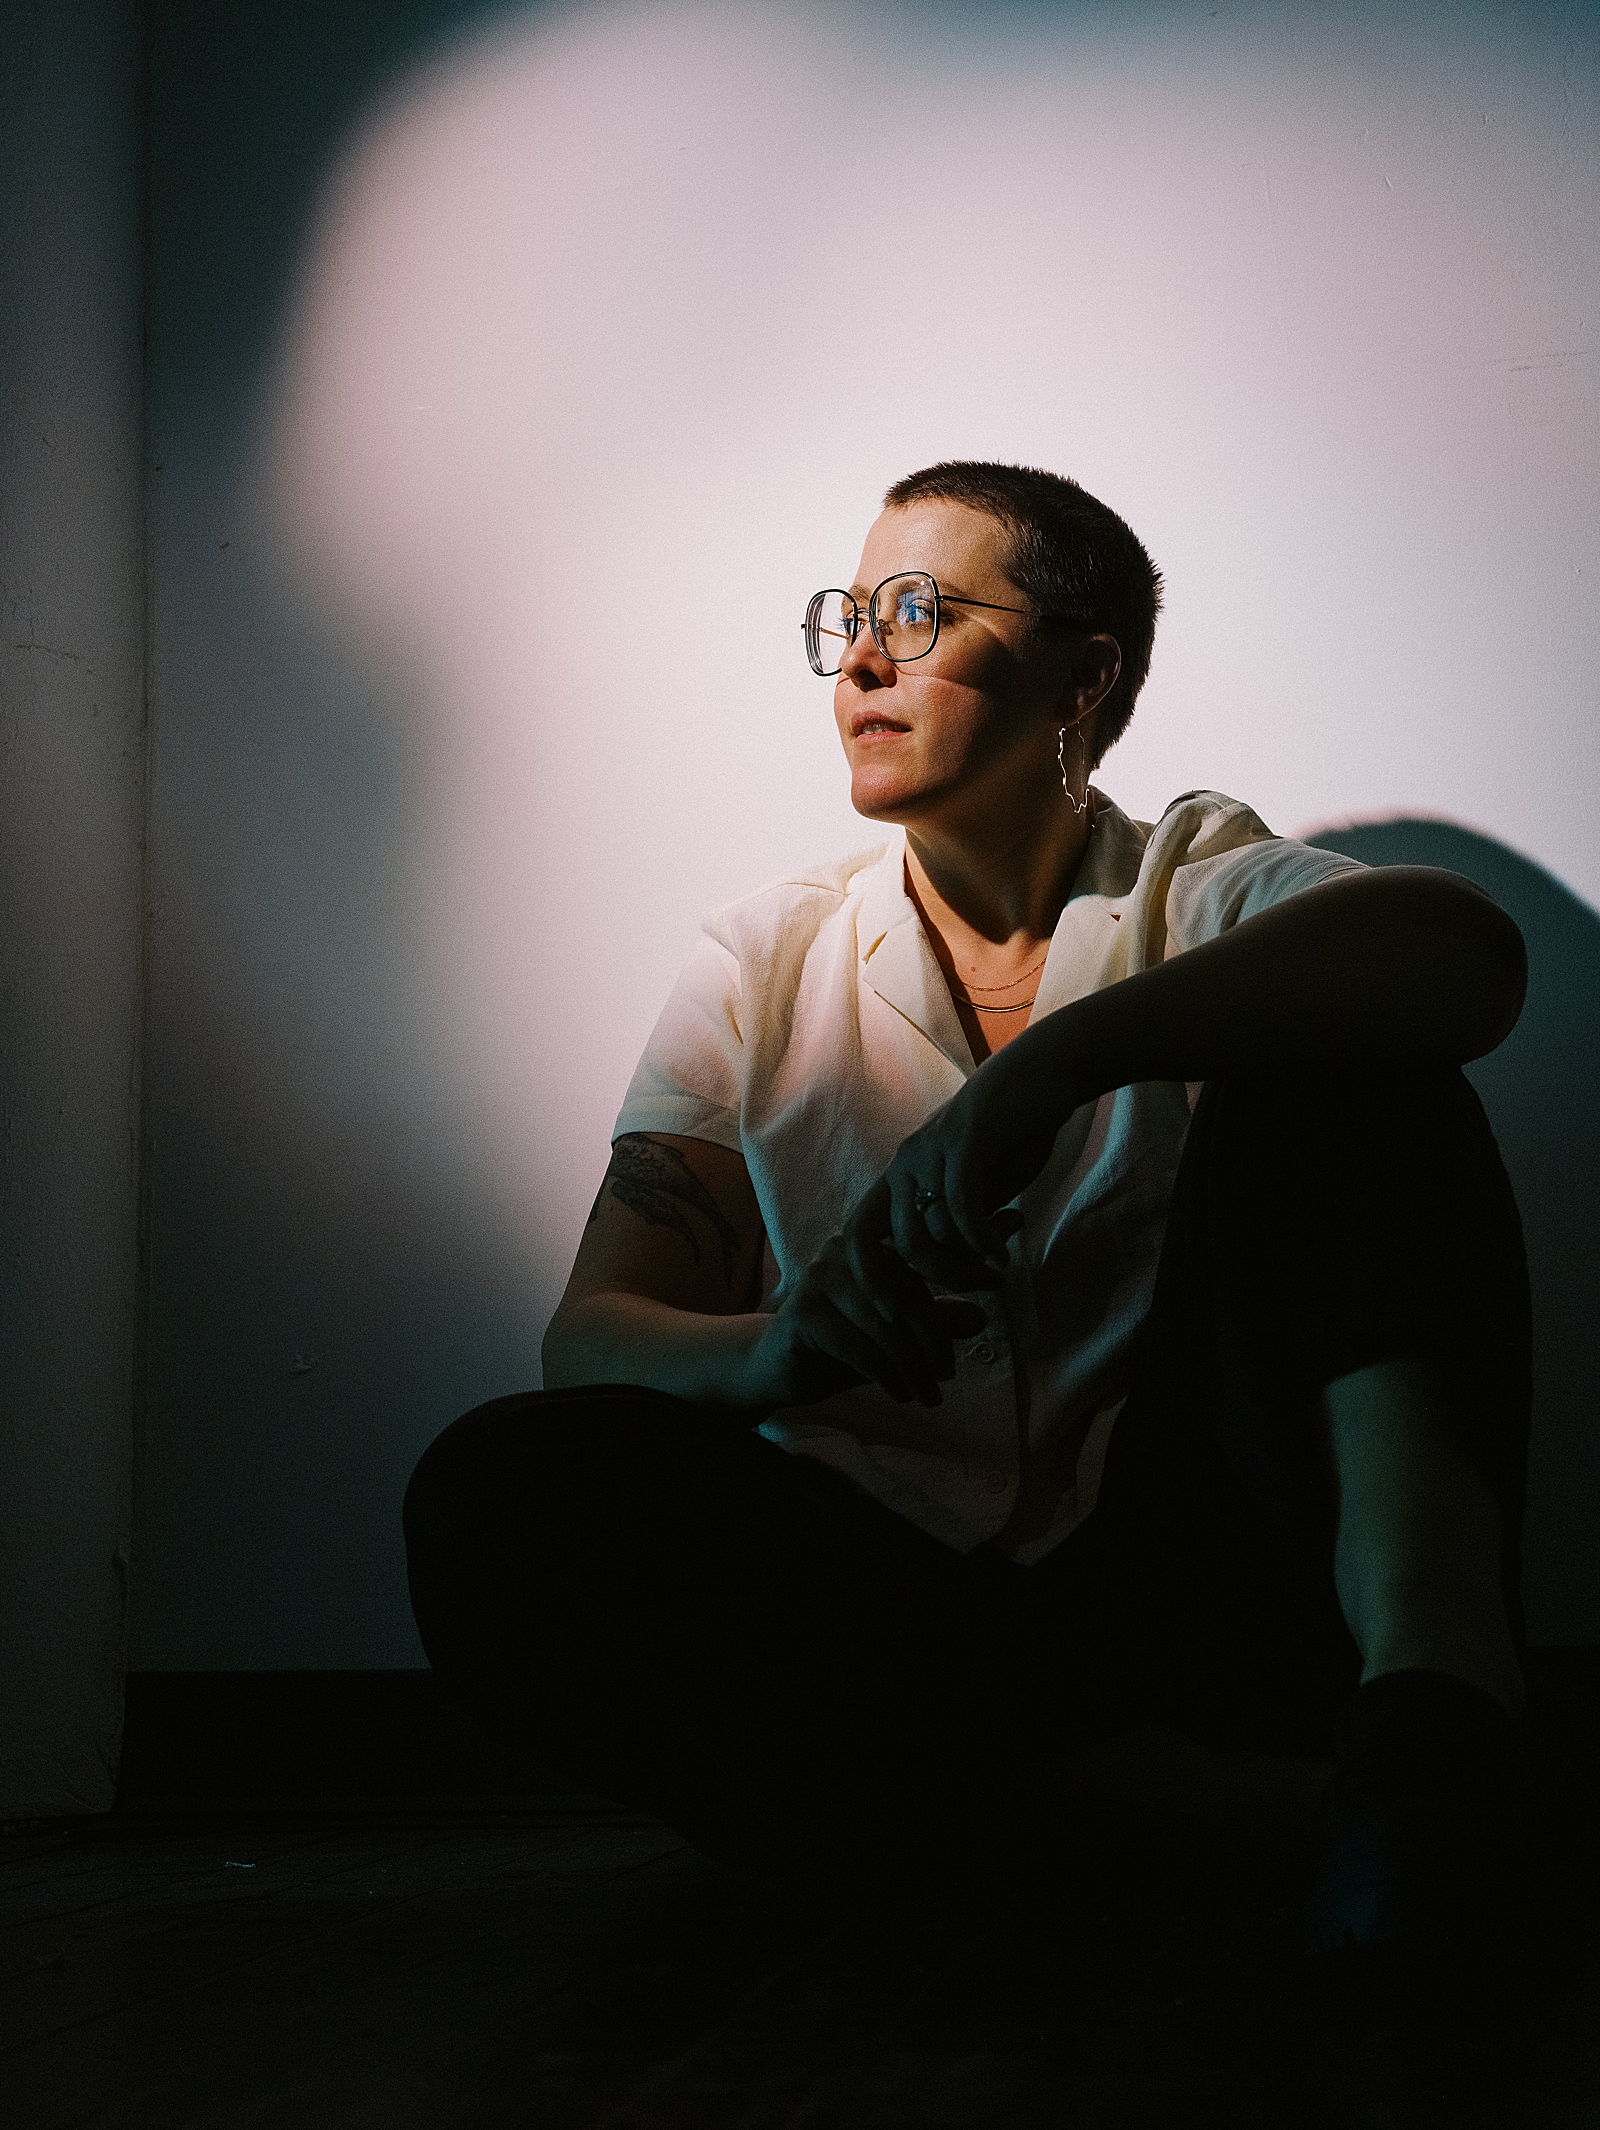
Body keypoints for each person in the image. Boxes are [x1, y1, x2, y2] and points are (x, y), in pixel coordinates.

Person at [405, 461, 1564, 1976]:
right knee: (492, 1491)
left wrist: (1068, 1061)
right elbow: (591, 1335)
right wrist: (778, 1353)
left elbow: (1463, 957)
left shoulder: (1190, 884)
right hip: (916, 1629)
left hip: (1201, 1585)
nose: (864, 659)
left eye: (918, 611)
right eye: (848, 621)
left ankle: (1430, 1705)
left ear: (1087, 674)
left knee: (1362, 1057)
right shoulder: (763, 958)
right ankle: (1213, 1819)